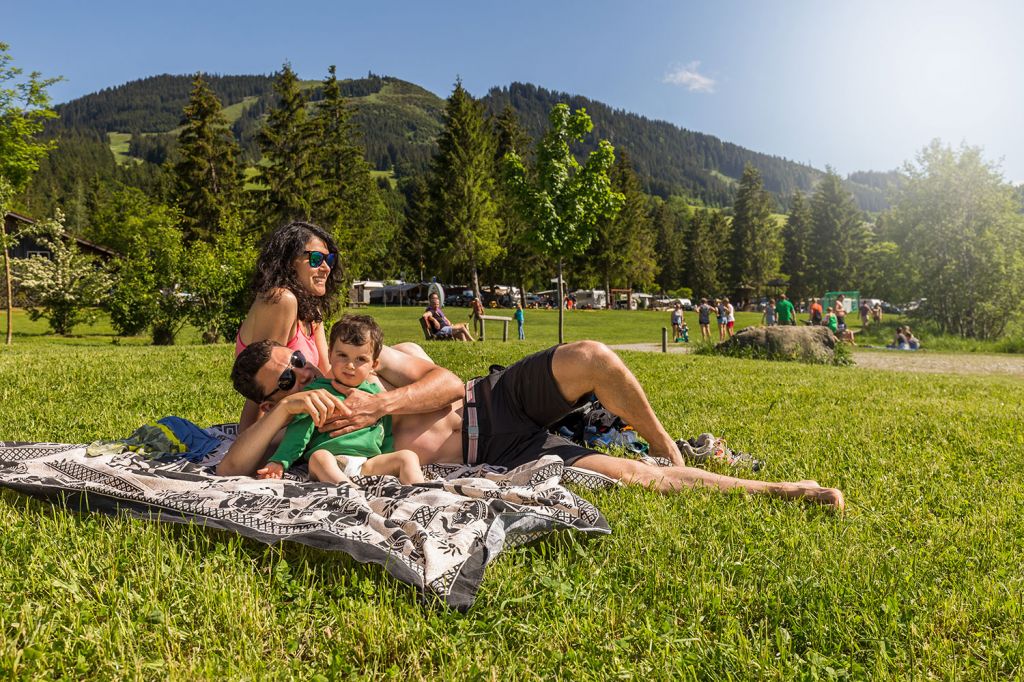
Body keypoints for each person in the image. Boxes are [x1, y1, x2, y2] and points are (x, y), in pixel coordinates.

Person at [223, 341, 845, 510]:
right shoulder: (284, 426)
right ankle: (777, 493)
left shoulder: (356, 360)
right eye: (283, 378)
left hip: (491, 397)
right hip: (498, 450)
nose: (300, 374)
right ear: (262, 399)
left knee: (594, 358)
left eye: (297, 361)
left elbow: (443, 379)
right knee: (626, 476)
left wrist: (380, 404)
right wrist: (283, 411)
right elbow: (228, 470)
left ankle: (669, 446)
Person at [252, 315, 425, 486]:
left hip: (367, 463)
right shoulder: (317, 392)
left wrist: (386, 456)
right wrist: (280, 461)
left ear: (374, 364)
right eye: (342, 355)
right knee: (318, 458)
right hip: (332, 459)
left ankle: (417, 490)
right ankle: (347, 490)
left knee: (407, 457)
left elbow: (384, 433)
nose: (350, 365)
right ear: (330, 355)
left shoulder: (376, 396)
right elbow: (298, 433)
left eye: (361, 359)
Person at [234, 221, 342, 432]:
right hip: (282, 425)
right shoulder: (281, 300)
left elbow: (326, 372)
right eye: (316, 258)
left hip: (311, 410)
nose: (326, 267)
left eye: (328, 259)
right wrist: (248, 440)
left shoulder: (311, 309)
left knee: (398, 354)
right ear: (291, 262)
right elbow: (259, 390)